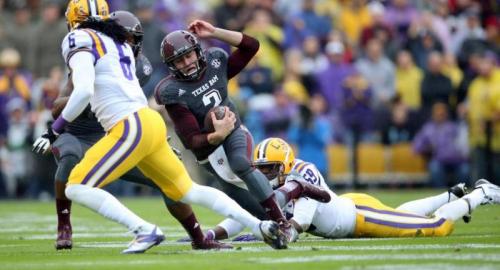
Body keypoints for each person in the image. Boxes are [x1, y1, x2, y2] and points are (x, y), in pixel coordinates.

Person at [32, 0, 287, 253]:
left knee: (76, 186)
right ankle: (260, 226)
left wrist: (54, 129)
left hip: (129, 126)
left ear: (74, 21)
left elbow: (84, 90)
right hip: (148, 121)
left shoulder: (78, 39)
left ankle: (144, 230)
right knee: (189, 191)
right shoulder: (116, 41)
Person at [44, 10, 230, 251]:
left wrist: (157, 141)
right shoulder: (87, 55)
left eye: (132, 38)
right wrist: (84, 101)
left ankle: (197, 236)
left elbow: (138, 108)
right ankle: (64, 225)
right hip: (79, 134)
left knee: (168, 180)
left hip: (121, 135)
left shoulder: (140, 65)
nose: (128, 42)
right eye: (124, 36)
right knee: (69, 160)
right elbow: (58, 107)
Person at [154, 19, 298, 241]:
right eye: (179, 60)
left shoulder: (215, 62)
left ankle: (283, 222)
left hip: (233, 131)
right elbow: (192, 141)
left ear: (197, 51)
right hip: (209, 152)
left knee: (241, 163)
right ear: (172, 65)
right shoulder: (173, 91)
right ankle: (293, 198)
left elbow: (252, 46)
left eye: (189, 55)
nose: (187, 62)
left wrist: (214, 32)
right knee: (251, 207)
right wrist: (215, 135)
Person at [221, 138, 500, 240]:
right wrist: (213, 234)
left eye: (270, 168)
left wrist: (268, 233)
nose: (264, 174)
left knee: (437, 227)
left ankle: (480, 193)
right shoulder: (282, 181)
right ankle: (451, 194)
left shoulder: (303, 175)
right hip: (349, 205)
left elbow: (299, 224)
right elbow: (245, 213)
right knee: (399, 214)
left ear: (285, 165)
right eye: (261, 169)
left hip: (359, 218)